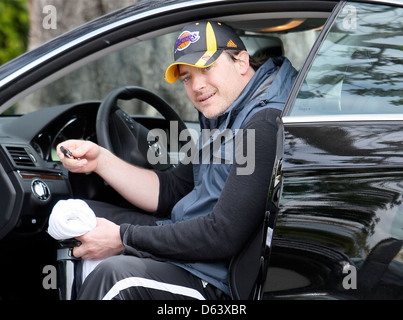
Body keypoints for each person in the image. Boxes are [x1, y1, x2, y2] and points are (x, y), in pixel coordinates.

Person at [56, 20, 297, 300]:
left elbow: (222, 233)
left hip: (215, 281)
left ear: (241, 61)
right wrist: (101, 161)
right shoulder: (224, 112)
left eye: (206, 68)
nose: (197, 86)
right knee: (80, 215)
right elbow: (172, 190)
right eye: (187, 77)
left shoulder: (263, 123)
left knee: (114, 278)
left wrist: (124, 239)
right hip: (195, 256)